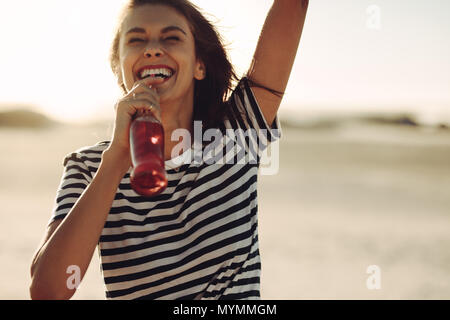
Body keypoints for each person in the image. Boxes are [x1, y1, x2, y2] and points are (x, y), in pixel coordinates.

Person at [30, 0, 308, 300]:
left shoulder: (237, 133)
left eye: (171, 37)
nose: (152, 49)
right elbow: (49, 291)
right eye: (136, 40)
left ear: (199, 65)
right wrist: (117, 158)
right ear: (119, 68)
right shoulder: (87, 167)